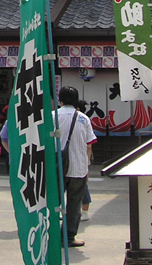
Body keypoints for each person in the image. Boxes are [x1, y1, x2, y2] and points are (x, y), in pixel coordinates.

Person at [56, 86, 96, 248]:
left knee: (54, 203)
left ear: (61, 99)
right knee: (74, 204)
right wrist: (87, 164)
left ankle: (51, 234)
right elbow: (89, 144)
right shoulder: (83, 119)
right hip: (78, 168)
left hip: (57, 167)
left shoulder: (52, 116)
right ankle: (69, 236)